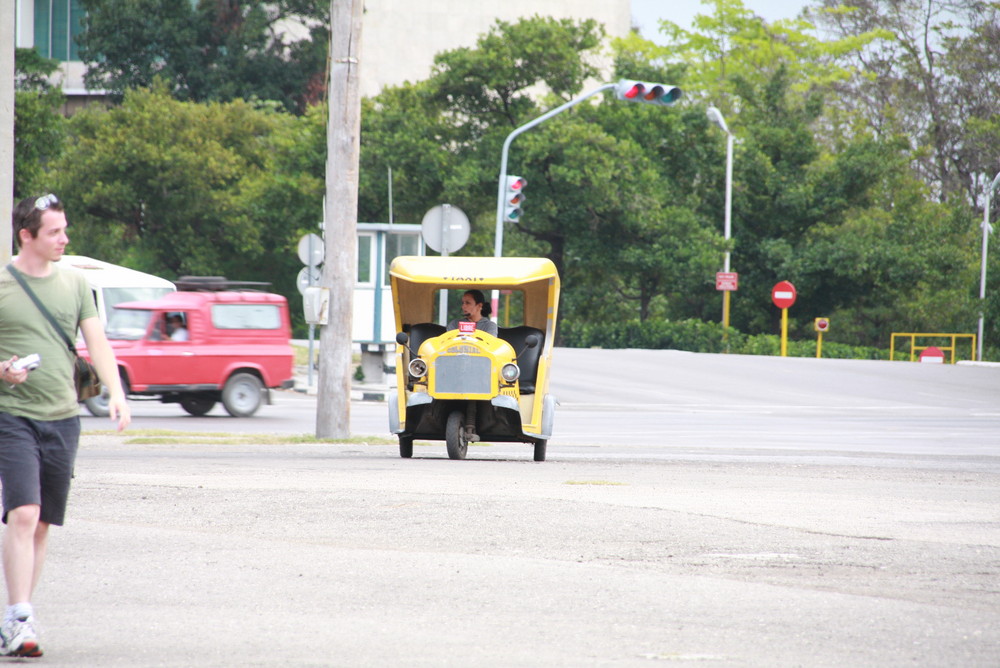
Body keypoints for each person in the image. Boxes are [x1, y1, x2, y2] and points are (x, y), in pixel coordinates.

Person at [0, 194, 131, 658]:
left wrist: (116, 393)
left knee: (42, 524)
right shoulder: (2, 284)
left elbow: (98, 343)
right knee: (24, 513)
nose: (65, 238)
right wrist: (3, 370)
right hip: (12, 416)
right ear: (27, 236)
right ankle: (20, 618)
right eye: (55, 232)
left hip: (63, 417)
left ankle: (17, 613)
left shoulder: (76, 283)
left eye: (64, 229)